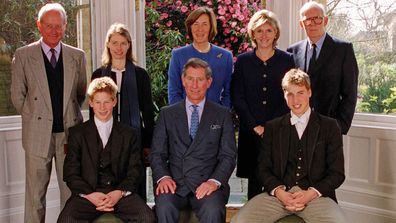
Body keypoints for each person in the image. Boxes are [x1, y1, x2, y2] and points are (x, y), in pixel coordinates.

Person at [231, 69, 347, 223]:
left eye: (300, 93)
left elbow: (337, 173)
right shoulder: (273, 127)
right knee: (241, 220)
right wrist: (280, 193)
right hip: (279, 196)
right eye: (290, 94)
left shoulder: (330, 126)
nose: (295, 100)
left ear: (309, 92)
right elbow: (263, 168)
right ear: (284, 95)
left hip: (315, 196)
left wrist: (310, 194)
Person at [10, 3, 87, 222]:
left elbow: (80, 94)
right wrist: (36, 118)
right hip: (37, 135)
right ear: (39, 26)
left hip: (69, 134)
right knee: (35, 198)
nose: (54, 31)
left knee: (70, 194)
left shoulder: (77, 56)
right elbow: (17, 96)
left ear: (65, 26)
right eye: (49, 26)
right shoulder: (24, 55)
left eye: (58, 26)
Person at [150, 58, 236, 223]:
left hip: (207, 183)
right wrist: (163, 177)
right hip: (174, 183)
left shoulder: (222, 114)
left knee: (213, 209)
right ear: (183, 81)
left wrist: (214, 181)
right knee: (164, 206)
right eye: (190, 79)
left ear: (209, 82)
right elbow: (157, 154)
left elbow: (228, 156)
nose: (194, 85)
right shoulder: (167, 114)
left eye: (200, 79)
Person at [57, 77, 155, 223]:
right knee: (66, 220)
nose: (102, 107)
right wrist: (91, 195)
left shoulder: (129, 134)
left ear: (114, 102)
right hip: (88, 194)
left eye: (106, 102)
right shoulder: (77, 133)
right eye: (98, 102)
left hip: (119, 193)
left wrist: (118, 193)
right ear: (91, 103)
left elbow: (135, 170)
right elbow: (70, 173)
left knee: (147, 218)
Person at [231, 9, 295, 200]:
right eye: (259, 30)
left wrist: (271, 127)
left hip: (279, 131)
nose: (264, 35)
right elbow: (238, 96)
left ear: (275, 33)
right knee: (254, 183)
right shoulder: (243, 61)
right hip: (250, 133)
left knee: (278, 180)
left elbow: (289, 94)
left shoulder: (287, 59)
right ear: (253, 34)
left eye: (268, 30)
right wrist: (255, 126)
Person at [91, 23, 155, 200]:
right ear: (108, 45)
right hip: (106, 137)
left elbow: (147, 111)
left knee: (134, 181)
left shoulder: (140, 75)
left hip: (134, 137)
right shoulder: (98, 74)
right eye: (115, 43)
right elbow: (93, 111)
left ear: (129, 45)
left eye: (123, 43)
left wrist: (148, 144)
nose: (119, 48)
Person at [287, 1, 358, 135]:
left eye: (317, 19)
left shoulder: (343, 50)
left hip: (330, 127)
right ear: (301, 24)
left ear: (325, 21)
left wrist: (339, 126)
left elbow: (350, 93)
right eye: (308, 20)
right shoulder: (292, 51)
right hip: (298, 127)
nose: (312, 23)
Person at [168, 6, 233, 108]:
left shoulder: (225, 57)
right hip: (185, 120)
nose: (200, 29)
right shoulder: (178, 55)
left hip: (215, 119)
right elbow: (174, 92)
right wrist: (182, 118)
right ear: (190, 27)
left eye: (204, 24)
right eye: (195, 24)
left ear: (211, 27)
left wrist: (221, 115)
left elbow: (229, 93)